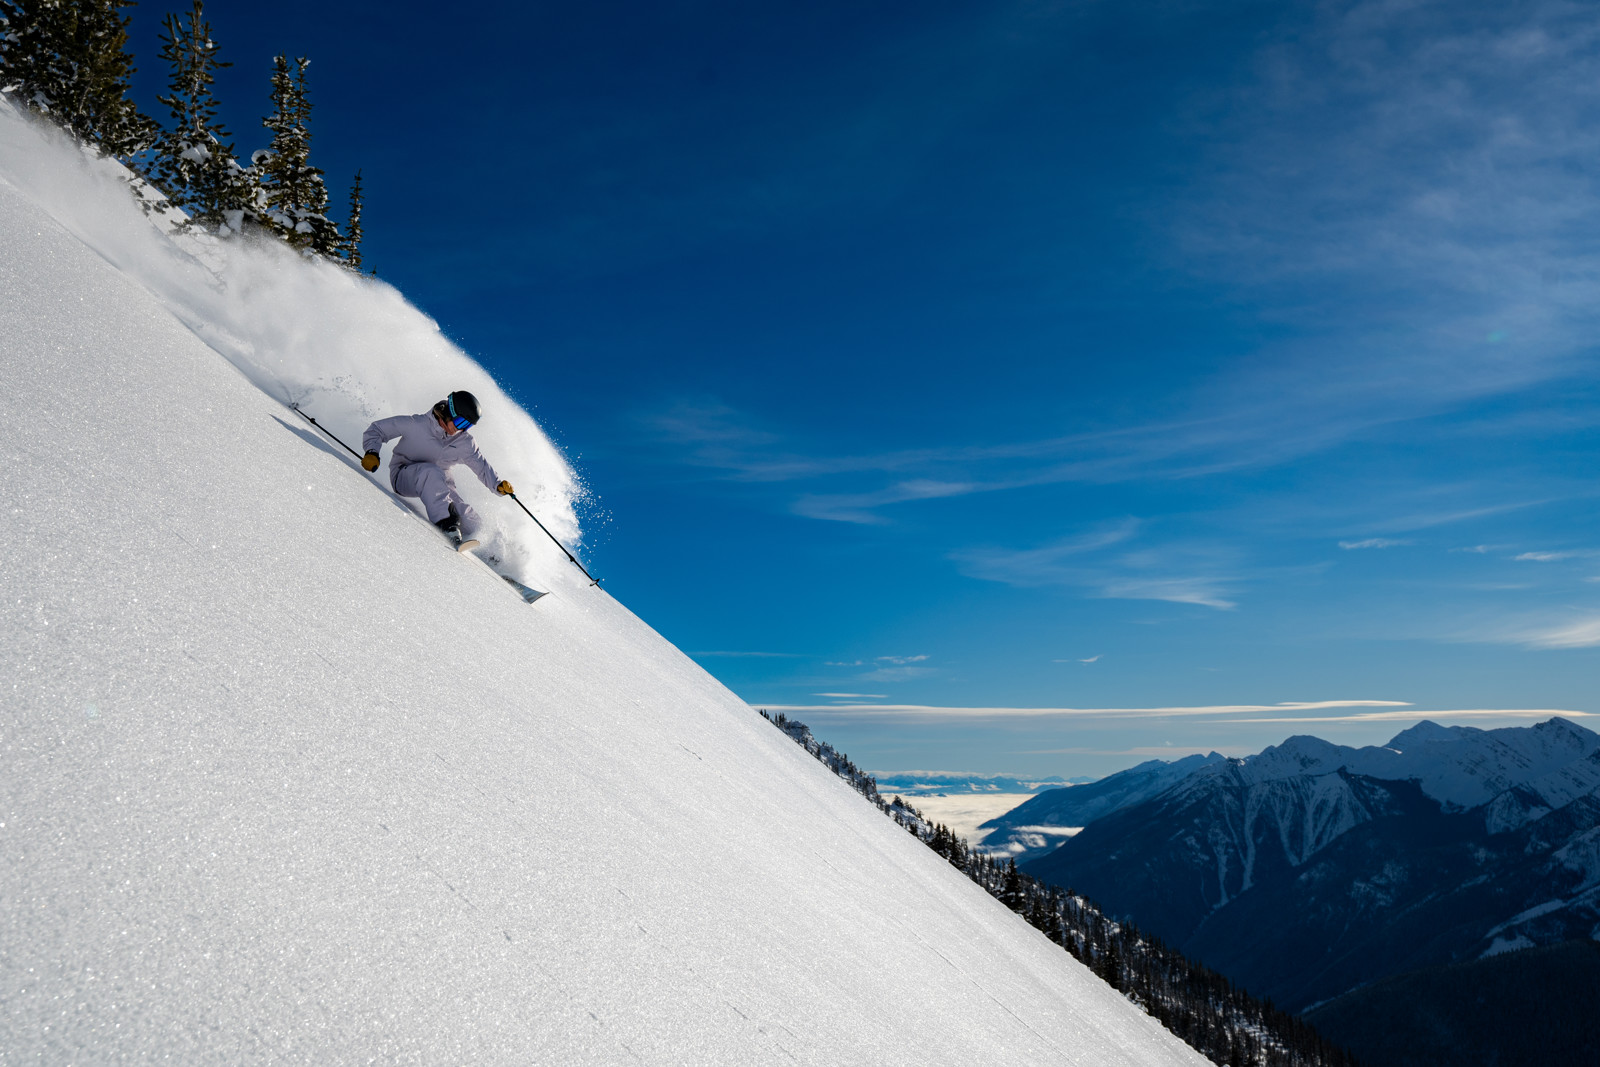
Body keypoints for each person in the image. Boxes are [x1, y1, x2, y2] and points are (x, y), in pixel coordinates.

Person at [361, 390, 514, 543]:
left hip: (440, 482)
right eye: (460, 422)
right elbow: (377, 430)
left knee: (464, 512)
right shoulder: (417, 424)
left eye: (466, 426)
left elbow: (481, 465)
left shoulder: (464, 442)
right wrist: (372, 452)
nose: (460, 429)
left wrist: (497, 484)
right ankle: (447, 524)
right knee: (430, 472)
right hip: (403, 475)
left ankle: (488, 546)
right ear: (449, 412)